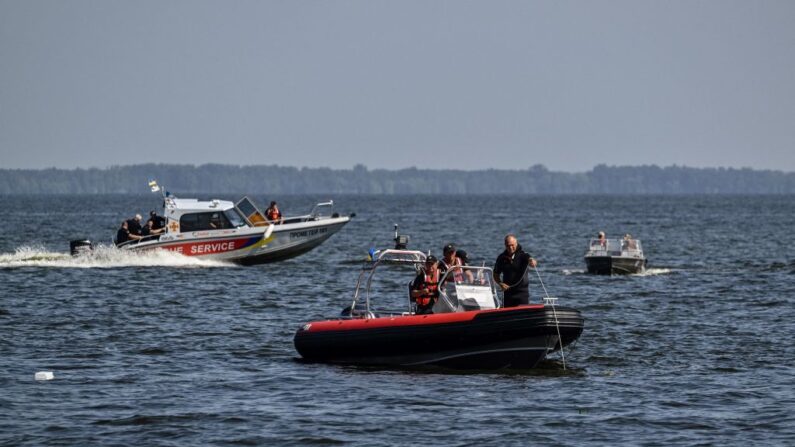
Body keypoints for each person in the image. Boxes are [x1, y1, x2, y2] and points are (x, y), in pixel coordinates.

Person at [493, 234, 538, 308]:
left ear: (516, 243)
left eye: (512, 245)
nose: (510, 247)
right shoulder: (501, 258)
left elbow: (533, 261)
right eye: (508, 245)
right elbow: (495, 274)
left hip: (522, 293)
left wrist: (532, 262)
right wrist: (500, 283)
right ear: (505, 245)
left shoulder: (523, 255)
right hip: (507, 293)